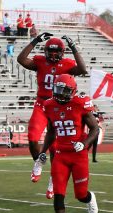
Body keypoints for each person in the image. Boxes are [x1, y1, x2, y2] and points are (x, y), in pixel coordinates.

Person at [17, 33, 86, 199]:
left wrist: (74, 47)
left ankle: (53, 180)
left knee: (56, 148)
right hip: (42, 105)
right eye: (50, 51)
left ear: (62, 53)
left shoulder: (68, 64)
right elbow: (21, 59)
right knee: (33, 138)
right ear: (46, 51)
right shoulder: (40, 62)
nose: (53, 55)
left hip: (59, 106)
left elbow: (82, 69)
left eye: (57, 52)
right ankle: (39, 161)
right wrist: (35, 40)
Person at [39, 74, 99, 213]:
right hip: (60, 154)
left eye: (64, 90)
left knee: (80, 194)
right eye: (57, 89)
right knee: (59, 194)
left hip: (78, 155)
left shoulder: (80, 104)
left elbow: (95, 128)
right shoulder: (49, 105)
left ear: (72, 91)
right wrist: (43, 152)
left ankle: (89, 198)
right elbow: (51, 131)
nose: (59, 93)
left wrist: (85, 144)